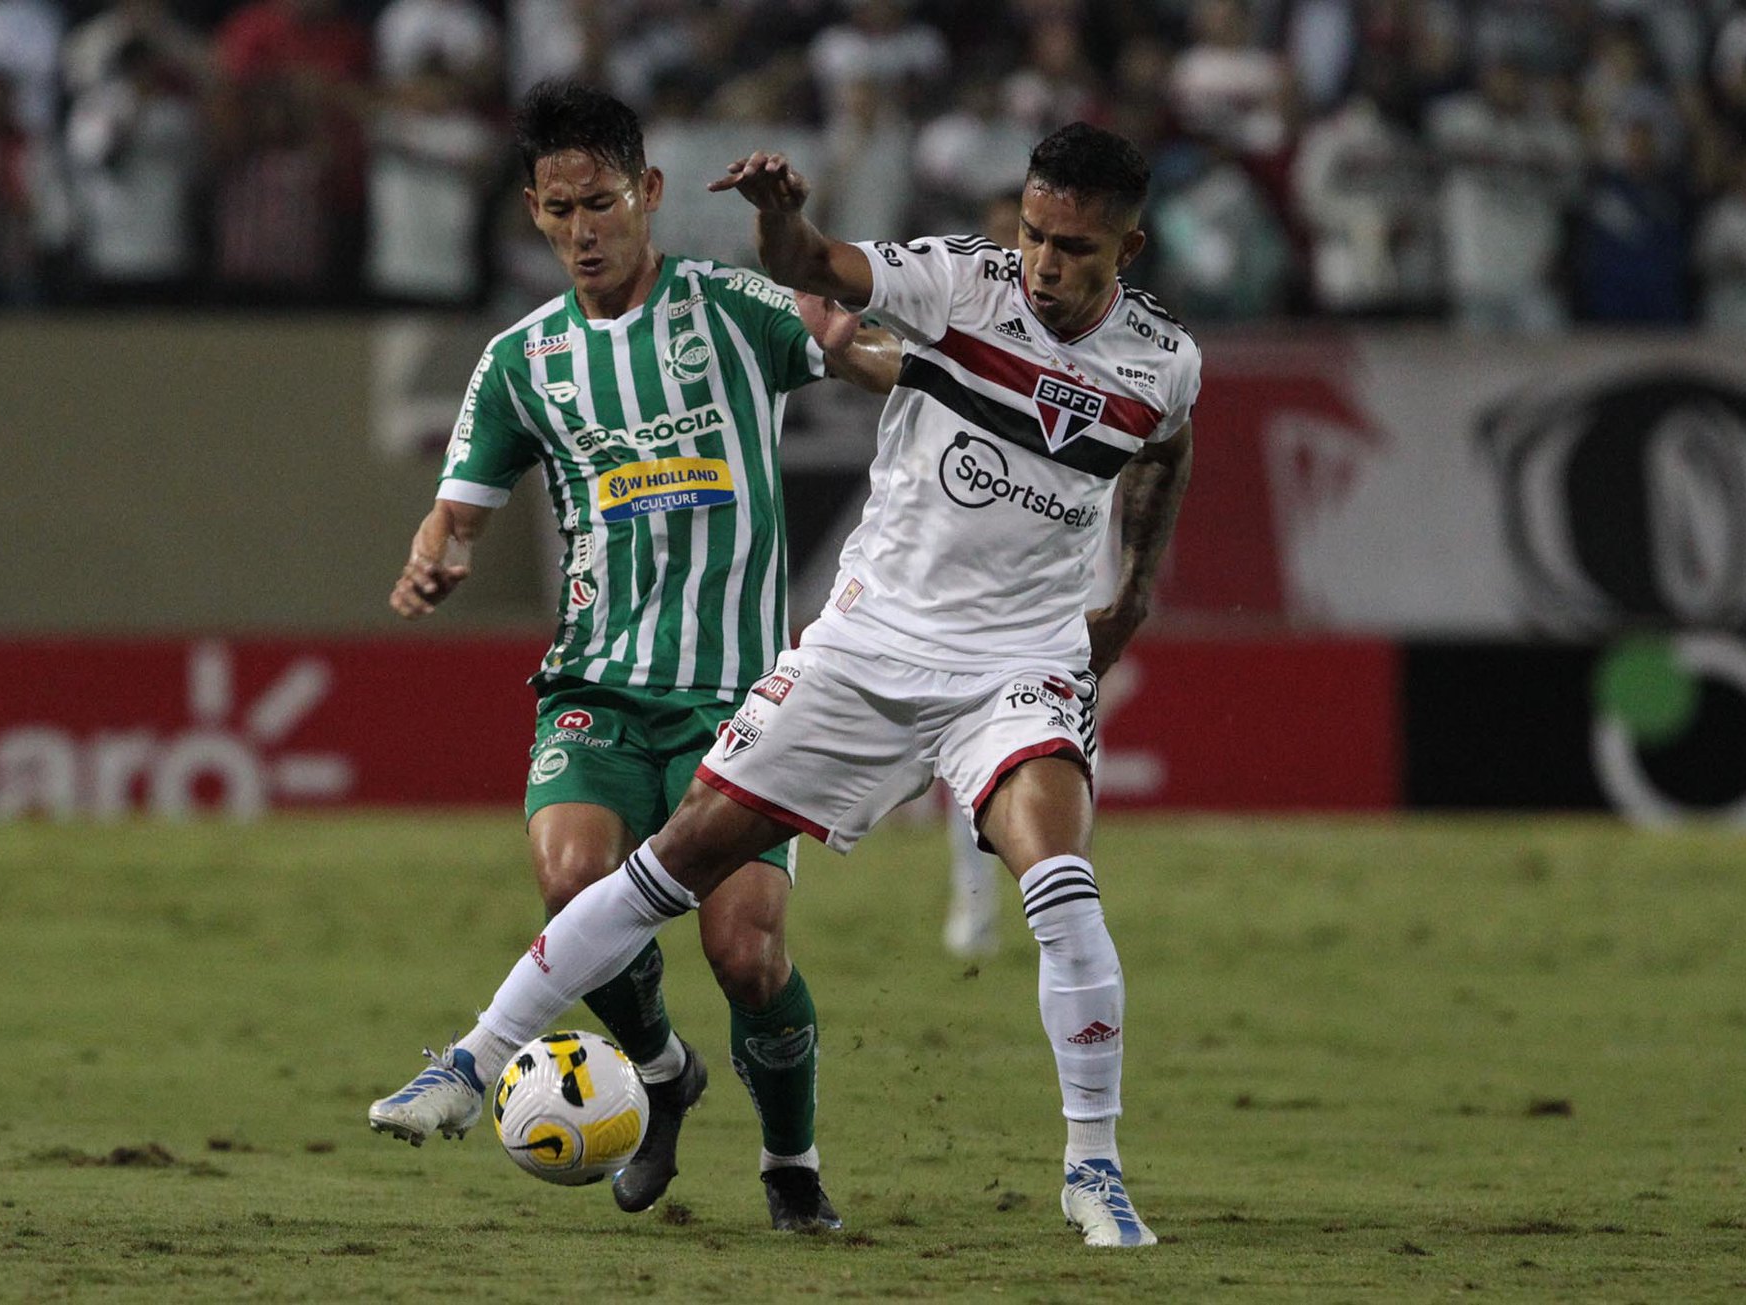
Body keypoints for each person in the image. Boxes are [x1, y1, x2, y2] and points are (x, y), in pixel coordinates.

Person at [372, 119, 1198, 1249]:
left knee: (1057, 880)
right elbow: (814, 267)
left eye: (1076, 251)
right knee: (674, 866)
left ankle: (1092, 1171)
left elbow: (1164, 441)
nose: (1046, 266)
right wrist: (779, 219)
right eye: (1037, 235)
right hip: (866, 646)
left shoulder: (1161, 358)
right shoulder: (957, 279)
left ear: (1128, 250)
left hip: (1018, 659)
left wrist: (1132, 595)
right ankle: (473, 1061)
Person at [366, 81, 901, 1234]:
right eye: (557, 210)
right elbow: (455, 509)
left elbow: (849, 349)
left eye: (600, 203)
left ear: (647, 194)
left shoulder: (728, 309)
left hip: (741, 699)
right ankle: (659, 1072)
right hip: (597, 683)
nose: (580, 231)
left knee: (745, 954)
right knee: (569, 877)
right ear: (534, 211)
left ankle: (789, 1160)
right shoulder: (520, 362)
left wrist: (889, 360)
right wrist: (434, 558)